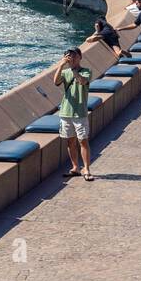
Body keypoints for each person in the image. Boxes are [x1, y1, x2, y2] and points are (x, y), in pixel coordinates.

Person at [54, 47, 94, 181]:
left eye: (74, 56)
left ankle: (87, 168)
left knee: (83, 141)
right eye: (68, 56)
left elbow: (82, 81)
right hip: (66, 112)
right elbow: (56, 82)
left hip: (80, 113)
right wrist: (61, 65)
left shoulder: (86, 71)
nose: (71, 58)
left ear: (80, 57)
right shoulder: (65, 72)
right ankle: (75, 167)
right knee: (70, 141)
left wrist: (74, 70)